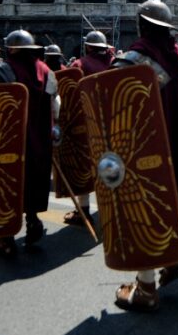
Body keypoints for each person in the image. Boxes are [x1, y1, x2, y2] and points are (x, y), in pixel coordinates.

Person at [110, 0, 178, 312]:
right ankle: (174, 255)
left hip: (143, 149)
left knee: (141, 212)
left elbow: (112, 107)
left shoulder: (132, 59)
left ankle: (146, 289)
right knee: (166, 201)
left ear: (141, 24)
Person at [0, 30, 60, 256]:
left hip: (10, 142)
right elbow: (56, 105)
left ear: (12, 50)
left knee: (9, 184)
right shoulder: (47, 72)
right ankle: (33, 220)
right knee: (34, 181)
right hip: (40, 140)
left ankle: (5, 238)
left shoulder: (2, 72)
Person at [63, 30, 115, 225]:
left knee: (85, 166)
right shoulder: (115, 64)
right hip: (110, 123)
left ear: (88, 47)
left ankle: (82, 211)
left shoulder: (79, 66)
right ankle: (111, 208)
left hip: (86, 123)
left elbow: (72, 97)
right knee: (109, 163)